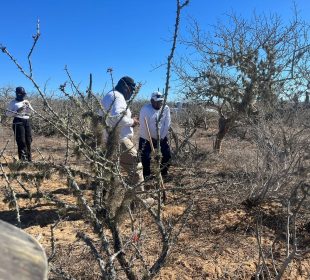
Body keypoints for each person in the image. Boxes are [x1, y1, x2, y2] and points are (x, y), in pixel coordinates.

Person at [100, 76, 143, 187]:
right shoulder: (117, 96)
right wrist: (132, 121)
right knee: (136, 168)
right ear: (125, 86)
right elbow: (117, 118)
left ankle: (108, 201)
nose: (132, 93)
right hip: (119, 140)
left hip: (111, 140)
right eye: (132, 90)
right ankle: (139, 200)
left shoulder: (111, 95)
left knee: (110, 172)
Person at [139, 91, 171, 180]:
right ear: (152, 101)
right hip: (146, 137)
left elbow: (167, 124)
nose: (159, 104)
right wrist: (150, 139)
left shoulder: (166, 108)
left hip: (162, 137)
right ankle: (146, 175)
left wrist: (161, 138)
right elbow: (143, 125)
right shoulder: (145, 109)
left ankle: (163, 172)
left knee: (167, 155)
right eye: (157, 102)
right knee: (145, 157)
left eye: (161, 101)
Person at [6, 87, 34, 161]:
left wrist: (28, 106)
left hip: (27, 120)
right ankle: (23, 160)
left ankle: (29, 160)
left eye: (23, 94)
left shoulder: (26, 101)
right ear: (17, 94)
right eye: (20, 94)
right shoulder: (13, 102)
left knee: (29, 140)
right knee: (21, 141)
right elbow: (7, 113)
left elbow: (32, 112)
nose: (22, 95)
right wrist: (17, 111)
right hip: (18, 121)